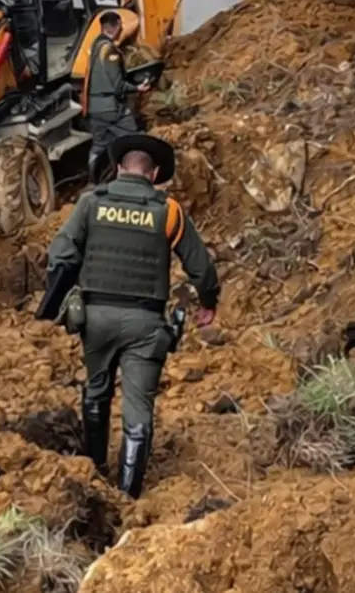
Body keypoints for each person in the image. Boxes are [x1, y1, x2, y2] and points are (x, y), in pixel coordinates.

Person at [34, 132, 220, 499]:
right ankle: (128, 496)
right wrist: (208, 302)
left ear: (119, 168)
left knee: (96, 390)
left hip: (96, 318)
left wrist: (53, 302)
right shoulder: (168, 211)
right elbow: (201, 267)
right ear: (153, 176)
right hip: (146, 325)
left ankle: (96, 469)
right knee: (138, 409)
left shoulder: (90, 203)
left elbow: (62, 253)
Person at [81, 11, 151, 184]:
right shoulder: (110, 51)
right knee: (133, 140)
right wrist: (137, 88)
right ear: (115, 27)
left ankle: (93, 183)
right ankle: (133, 181)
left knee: (98, 145)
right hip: (111, 108)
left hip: (94, 108)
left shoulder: (95, 45)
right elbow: (118, 85)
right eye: (120, 26)